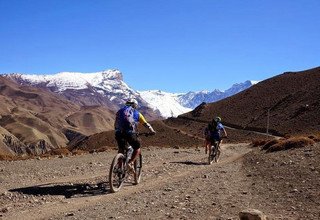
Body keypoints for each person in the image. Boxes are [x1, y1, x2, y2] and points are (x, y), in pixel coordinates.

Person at [114, 98, 156, 172]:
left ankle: (120, 167)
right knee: (137, 147)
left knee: (121, 149)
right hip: (130, 133)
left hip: (118, 132)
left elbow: (116, 123)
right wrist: (152, 131)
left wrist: (117, 131)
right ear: (135, 105)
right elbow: (146, 124)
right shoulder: (137, 113)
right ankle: (130, 163)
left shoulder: (119, 111)